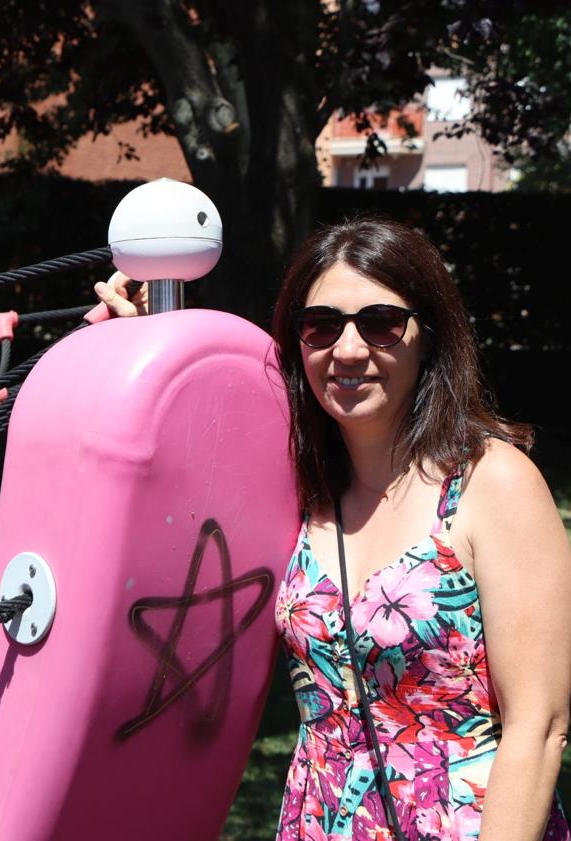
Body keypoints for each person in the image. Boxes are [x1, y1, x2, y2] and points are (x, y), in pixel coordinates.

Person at [97, 218, 570, 840]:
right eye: (321, 326)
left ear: (426, 337)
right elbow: (168, 466)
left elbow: (539, 726)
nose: (348, 350)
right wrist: (130, 350)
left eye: (380, 323)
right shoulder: (297, 488)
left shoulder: (492, 484)